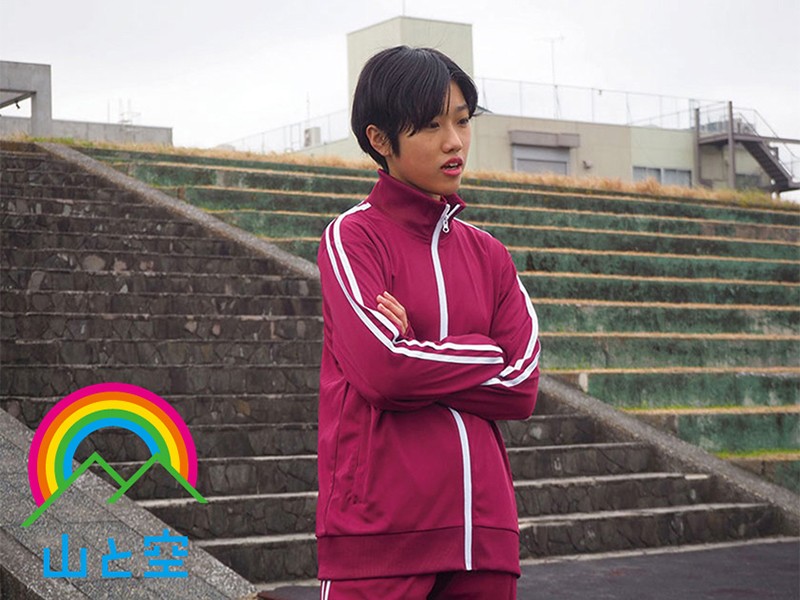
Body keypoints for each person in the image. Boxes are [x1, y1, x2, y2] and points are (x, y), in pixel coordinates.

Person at [316, 45, 541, 599]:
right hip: (378, 538)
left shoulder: (490, 254)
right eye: (432, 125)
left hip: (484, 538)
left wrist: (418, 346)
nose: (454, 142)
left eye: (462, 121)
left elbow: (521, 385)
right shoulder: (352, 238)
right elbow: (385, 371)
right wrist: (484, 350)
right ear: (379, 139)